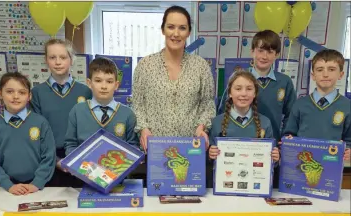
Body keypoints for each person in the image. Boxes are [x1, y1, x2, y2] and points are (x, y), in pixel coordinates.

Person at [133, 5, 216, 152]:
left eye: (182, 28)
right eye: (171, 27)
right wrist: (143, 129)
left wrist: (201, 127)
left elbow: (207, 104)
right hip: (154, 148)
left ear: (189, 32)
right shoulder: (145, 65)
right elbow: (138, 104)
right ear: (163, 29)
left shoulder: (200, 67)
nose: (176, 33)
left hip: (190, 148)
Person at [30, 39, 92, 186]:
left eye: (63, 57)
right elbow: (37, 133)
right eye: (52, 57)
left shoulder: (86, 92)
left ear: (72, 60)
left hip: (82, 160)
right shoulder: (36, 93)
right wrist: (56, 161)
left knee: (82, 206)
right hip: (50, 160)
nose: (58, 62)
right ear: (46, 60)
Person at [217, 30, 296, 142]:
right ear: (252, 52)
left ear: (277, 55)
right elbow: (223, 110)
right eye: (260, 50)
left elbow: (291, 115)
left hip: (272, 144)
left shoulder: (284, 82)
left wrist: (285, 136)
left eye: (270, 52)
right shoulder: (239, 79)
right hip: (238, 142)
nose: (264, 56)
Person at [207, 71, 280, 187]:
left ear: (255, 93)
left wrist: (275, 158)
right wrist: (211, 154)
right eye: (238, 88)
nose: (244, 93)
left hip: (255, 187)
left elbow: (271, 163)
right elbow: (209, 160)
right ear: (230, 92)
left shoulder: (265, 123)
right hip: (225, 186)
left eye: (249, 89)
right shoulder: (216, 122)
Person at [63, 57, 139, 157]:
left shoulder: (128, 114)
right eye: (98, 81)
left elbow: (133, 147)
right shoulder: (77, 111)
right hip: (84, 169)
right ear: (89, 83)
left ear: (116, 85)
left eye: (109, 81)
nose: (104, 86)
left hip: (118, 170)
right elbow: (70, 145)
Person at [0, 72, 56, 195]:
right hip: (5, 188)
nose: (15, 96)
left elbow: (49, 157)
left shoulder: (40, 122)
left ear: (29, 96)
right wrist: (8, 185)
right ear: (0, 94)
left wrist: (36, 183)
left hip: (37, 187)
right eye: (10, 91)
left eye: (22, 92)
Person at [284, 49, 350, 161]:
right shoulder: (300, 104)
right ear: (313, 75)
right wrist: (288, 140)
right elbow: (289, 134)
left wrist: (348, 150)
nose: (325, 74)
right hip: (302, 165)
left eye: (331, 69)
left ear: (341, 74)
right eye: (320, 70)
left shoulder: (347, 106)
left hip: (332, 164)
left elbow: (349, 140)